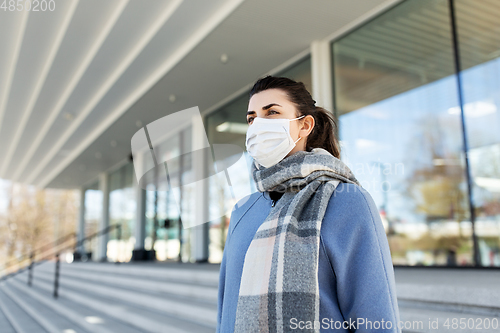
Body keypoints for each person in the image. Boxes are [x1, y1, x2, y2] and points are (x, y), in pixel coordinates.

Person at [216, 75, 400, 332]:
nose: (258, 124)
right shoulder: (242, 211)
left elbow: (376, 319)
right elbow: (226, 312)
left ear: (304, 126)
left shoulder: (347, 201)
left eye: (272, 113)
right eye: (251, 118)